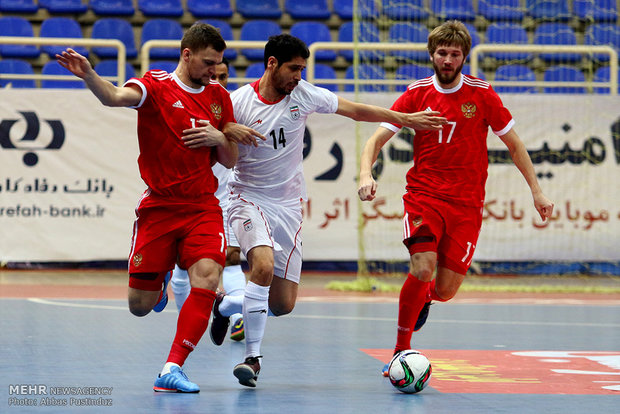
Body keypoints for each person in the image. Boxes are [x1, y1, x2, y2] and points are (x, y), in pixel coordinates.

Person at [187, 33, 447, 388]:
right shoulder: (239, 101)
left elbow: (355, 110)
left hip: (288, 206)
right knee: (260, 266)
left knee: (282, 305)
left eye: (303, 69)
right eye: (294, 69)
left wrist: (405, 118)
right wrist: (225, 131)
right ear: (272, 64)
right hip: (246, 197)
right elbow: (213, 135)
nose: (299, 76)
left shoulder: (304, 94)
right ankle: (254, 358)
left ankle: (225, 305)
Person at [55, 23, 258, 392]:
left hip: (202, 206)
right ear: (187, 54)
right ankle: (160, 281)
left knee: (209, 277)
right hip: (160, 207)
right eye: (209, 63)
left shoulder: (219, 97)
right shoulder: (156, 85)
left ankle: (172, 368)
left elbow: (229, 160)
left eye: (219, 64)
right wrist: (89, 76)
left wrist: (220, 136)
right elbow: (114, 98)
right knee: (139, 305)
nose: (215, 71)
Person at [356, 20, 555, 376]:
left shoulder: (482, 94)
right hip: (424, 197)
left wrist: (536, 191)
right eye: (442, 53)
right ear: (432, 55)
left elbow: (514, 144)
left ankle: (425, 296)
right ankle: (401, 351)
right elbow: (374, 140)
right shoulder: (416, 93)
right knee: (422, 267)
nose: (448, 60)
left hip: (467, 205)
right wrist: (365, 174)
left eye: (455, 54)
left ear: (464, 57)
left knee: (444, 290)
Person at [171, 57, 246, 343]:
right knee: (182, 263)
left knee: (232, 257)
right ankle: (184, 317)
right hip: (190, 196)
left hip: (226, 195)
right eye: (213, 74)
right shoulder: (186, 101)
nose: (218, 80)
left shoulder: (233, 105)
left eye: (224, 76)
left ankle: (236, 317)